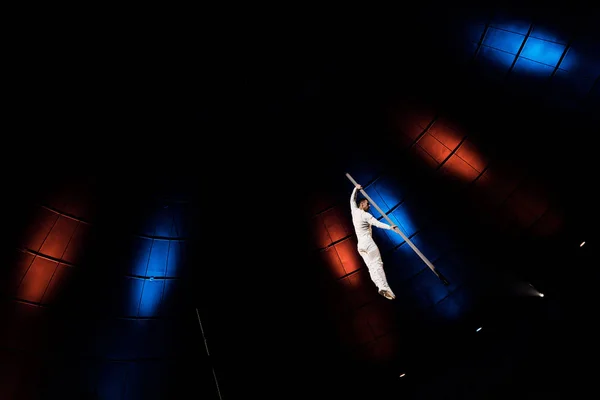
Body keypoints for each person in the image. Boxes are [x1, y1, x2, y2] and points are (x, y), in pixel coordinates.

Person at [350, 184, 400, 300]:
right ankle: (385, 287)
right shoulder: (366, 215)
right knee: (377, 264)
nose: (369, 205)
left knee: (371, 267)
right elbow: (377, 223)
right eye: (368, 204)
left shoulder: (354, 211)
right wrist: (390, 227)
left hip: (360, 246)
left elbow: (352, 199)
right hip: (367, 243)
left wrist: (356, 189)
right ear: (362, 204)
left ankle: (379, 286)